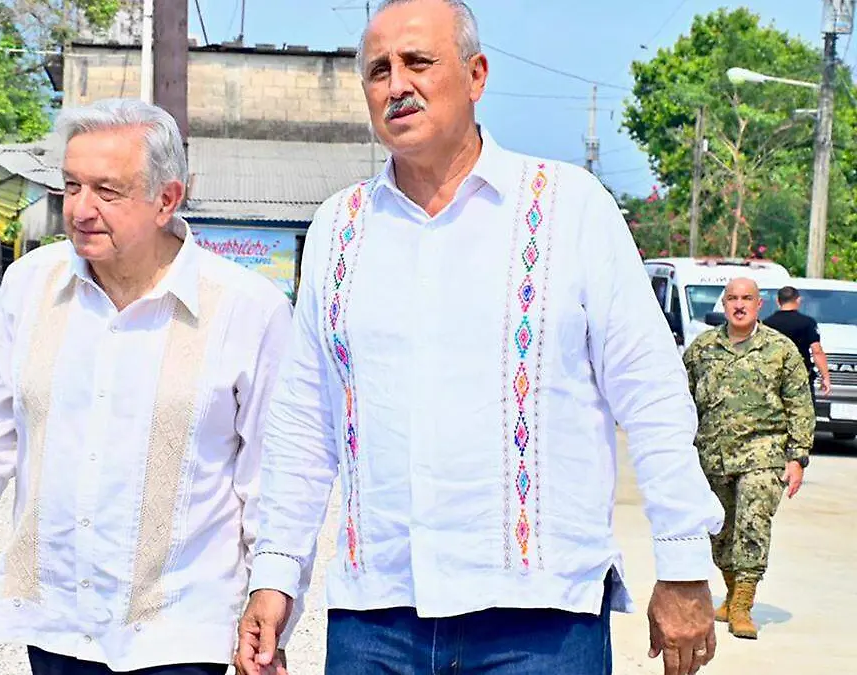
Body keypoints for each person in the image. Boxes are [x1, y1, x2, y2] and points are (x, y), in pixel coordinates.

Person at [234, 2, 725, 674]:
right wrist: (274, 575)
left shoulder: (569, 208)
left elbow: (652, 393)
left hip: (542, 623)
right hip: (377, 619)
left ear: (476, 75)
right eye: (378, 70)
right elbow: (304, 422)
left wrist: (684, 562)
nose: (397, 85)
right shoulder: (339, 230)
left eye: (418, 62)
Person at [0, 98, 294, 675]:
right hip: (57, 625)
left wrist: (272, 596)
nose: (80, 209)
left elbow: (271, 479)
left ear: (167, 199)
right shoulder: (30, 286)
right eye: (71, 186)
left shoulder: (246, 309)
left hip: (182, 631)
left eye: (107, 191)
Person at [681, 277, 814, 641]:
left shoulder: (781, 350)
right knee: (721, 530)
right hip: (713, 454)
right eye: (732, 298)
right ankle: (731, 591)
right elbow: (681, 401)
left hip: (763, 454)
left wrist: (798, 457)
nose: (739, 305)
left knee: (752, 523)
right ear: (724, 304)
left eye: (747, 298)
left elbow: (800, 405)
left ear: (759, 305)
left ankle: (742, 605)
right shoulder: (702, 349)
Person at [764, 285, 832, 401]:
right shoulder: (807, 323)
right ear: (798, 300)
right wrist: (825, 377)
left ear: (777, 301)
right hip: (800, 377)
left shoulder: (767, 324)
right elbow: (817, 351)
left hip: (774, 376)